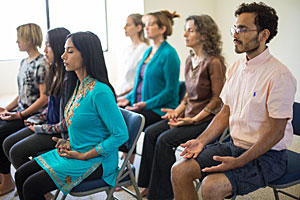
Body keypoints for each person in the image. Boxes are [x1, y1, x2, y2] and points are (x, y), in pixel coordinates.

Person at [171, 2, 297, 200]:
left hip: (268, 155)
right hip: (234, 144)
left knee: (211, 187)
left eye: (243, 29)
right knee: (179, 170)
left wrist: (239, 162)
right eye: (235, 28)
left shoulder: (279, 75)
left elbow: (276, 132)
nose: (235, 34)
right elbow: (225, 112)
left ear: (264, 35)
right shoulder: (236, 68)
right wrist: (201, 141)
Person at [14, 31, 129, 200]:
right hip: (75, 151)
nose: (62, 56)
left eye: (70, 51)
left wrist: (84, 155)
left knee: (31, 185)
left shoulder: (100, 91)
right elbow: (86, 126)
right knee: (21, 174)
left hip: (96, 161)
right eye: (64, 50)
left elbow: (121, 134)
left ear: (86, 55)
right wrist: (68, 141)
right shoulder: (79, 85)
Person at [138, 15, 226, 199]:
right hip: (188, 116)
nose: (184, 34)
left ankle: (162, 194)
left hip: (205, 120)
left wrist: (194, 119)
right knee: (152, 134)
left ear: (203, 35)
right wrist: (177, 111)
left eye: (190, 30)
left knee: (164, 140)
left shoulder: (214, 62)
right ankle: (148, 185)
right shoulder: (190, 59)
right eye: (185, 29)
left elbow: (217, 100)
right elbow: (187, 96)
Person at [3, 28, 77, 174]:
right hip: (47, 126)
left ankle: (40, 190)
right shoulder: (54, 73)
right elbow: (50, 108)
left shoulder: (68, 80)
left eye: (48, 45)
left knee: (16, 151)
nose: (44, 50)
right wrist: (35, 119)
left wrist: (38, 128)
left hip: (57, 134)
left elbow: (65, 124)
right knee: (7, 143)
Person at [117, 10, 180, 163]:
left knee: (128, 121)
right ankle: (123, 164)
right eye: (146, 25)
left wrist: (145, 104)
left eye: (150, 24)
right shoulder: (148, 52)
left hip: (159, 109)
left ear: (162, 29)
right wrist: (127, 99)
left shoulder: (169, 54)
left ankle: (126, 166)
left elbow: (170, 91)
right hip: (142, 105)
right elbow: (140, 82)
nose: (146, 28)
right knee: (116, 114)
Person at [0, 23, 48, 196]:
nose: (17, 41)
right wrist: (6, 109)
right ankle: (5, 178)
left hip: (32, 116)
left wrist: (20, 115)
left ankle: (7, 181)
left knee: (1, 132)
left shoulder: (41, 63)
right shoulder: (23, 62)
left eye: (19, 37)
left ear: (29, 38)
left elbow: (44, 98)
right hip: (21, 112)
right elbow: (22, 95)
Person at [114, 13, 149, 97]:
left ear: (139, 28)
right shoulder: (126, 49)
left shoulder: (144, 49)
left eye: (128, 25)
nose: (124, 28)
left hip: (130, 95)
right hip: (119, 92)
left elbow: (140, 80)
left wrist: (122, 95)